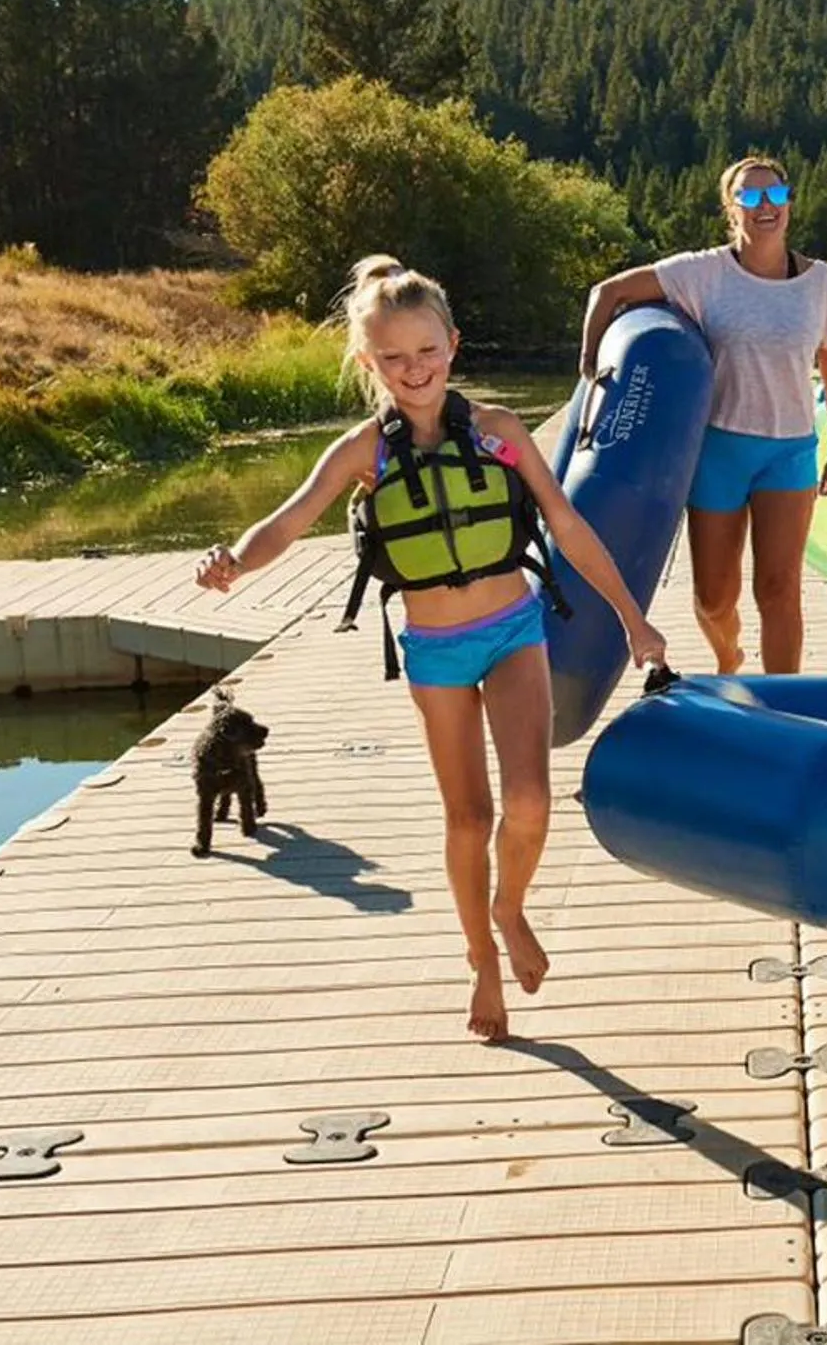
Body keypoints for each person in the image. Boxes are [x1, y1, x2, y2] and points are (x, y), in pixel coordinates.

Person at [196, 257, 668, 1043]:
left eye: (426, 351)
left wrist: (631, 617)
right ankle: (480, 957)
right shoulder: (362, 452)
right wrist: (235, 562)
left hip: (514, 629)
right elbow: (286, 518)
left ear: (452, 344)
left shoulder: (498, 432)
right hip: (436, 649)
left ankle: (507, 909)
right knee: (467, 816)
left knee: (530, 802)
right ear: (366, 362)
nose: (412, 371)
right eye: (392, 358)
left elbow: (568, 525)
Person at [579, 156, 827, 675]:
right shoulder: (703, 273)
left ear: (789, 202)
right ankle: (729, 657)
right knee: (713, 599)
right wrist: (591, 368)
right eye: (750, 197)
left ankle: (782, 709)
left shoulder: (819, 283)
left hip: (790, 450)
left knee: (779, 590)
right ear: (732, 210)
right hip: (719, 451)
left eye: (775, 195)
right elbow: (607, 293)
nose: (765, 207)